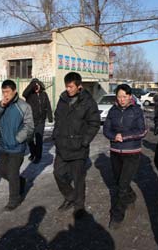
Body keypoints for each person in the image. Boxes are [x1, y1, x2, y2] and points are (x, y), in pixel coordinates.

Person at [53, 72, 100, 219]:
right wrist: (56, 136)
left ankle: (79, 206)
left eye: (71, 86)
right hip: (62, 146)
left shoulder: (88, 102)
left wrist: (84, 141)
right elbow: (57, 119)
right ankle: (70, 195)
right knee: (58, 174)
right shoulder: (62, 99)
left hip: (79, 147)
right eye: (66, 86)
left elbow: (94, 124)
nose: (68, 89)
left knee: (78, 178)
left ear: (79, 86)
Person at [103, 84, 147, 229]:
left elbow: (142, 131)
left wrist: (125, 136)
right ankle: (131, 196)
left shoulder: (137, 111)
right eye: (119, 97)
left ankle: (117, 215)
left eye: (124, 96)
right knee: (118, 181)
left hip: (132, 153)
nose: (122, 100)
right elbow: (106, 129)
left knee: (121, 186)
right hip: (115, 152)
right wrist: (113, 136)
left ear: (130, 96)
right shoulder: (113, 111)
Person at [0, 79, 34, 210]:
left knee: (13, 173)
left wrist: (18, 139)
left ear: (14, 91)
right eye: (3, 92)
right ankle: (20, 182)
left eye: (8, 92)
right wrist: (1, 106)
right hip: (4, 146)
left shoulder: (24, 106)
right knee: (3, 171)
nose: (5, 95)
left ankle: (14, 199)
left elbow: (30, 127)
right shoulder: (2, 105)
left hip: (17, 147)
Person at [22, 78, 53, 164]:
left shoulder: (44, 94)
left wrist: (50, 117)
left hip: (40, 121)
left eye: (37, 85)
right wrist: (32, 85)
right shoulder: (29, 95)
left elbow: (48, 105)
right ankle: (33, 153)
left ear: (40, 85)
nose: (36, 87)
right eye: (34, 85)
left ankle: (38, 156)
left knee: (39, 140)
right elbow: (24, 93)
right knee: (29, 139)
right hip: (30, 121)